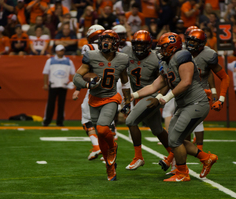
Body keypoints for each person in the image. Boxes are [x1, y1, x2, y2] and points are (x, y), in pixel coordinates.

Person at [130, 32, 218, 182]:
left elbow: (186, 82)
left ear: (172, 47)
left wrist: (165, 98)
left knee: (175, 139)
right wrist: (134, 95)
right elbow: (153, 86)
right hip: (184, 105)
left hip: (196, 103)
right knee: (173, 139)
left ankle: (183, 173)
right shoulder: (166, 62)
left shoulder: (182, 56)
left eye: (163, 47)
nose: (160, 51)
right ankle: (206, 158)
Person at [73, 30, 131, 181]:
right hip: (94, 98)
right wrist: (87, 84)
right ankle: (110, 168)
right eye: (103, 39)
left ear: (116, 43)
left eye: (109, 40)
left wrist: (127, 101)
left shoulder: (123, 58)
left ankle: (113, 146)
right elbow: (76, 77)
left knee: (102, 127)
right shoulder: (92, 56)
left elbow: (125, 81)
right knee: (100, 135)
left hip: (111, 97)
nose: (105, 42)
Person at [121, 30, 171, 170]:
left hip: (151, 96)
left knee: (130, 121)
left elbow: (166, 81)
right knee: (157, 129)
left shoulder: (156, 58)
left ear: (148, 45)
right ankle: (174, 156)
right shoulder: (126, 52)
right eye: (136, 44)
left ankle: (138, 157)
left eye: (142, 44)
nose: (138, 47)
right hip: (136, 95)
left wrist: (159, 97)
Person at [185, 28, 230, 150]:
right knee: (182, 126)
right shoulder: (182, 52)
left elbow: (224, 77)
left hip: (199, 93)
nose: (190, 44)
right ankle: (194, 155)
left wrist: (220, 98)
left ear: (201, 44)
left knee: (188, 124)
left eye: (194, 41)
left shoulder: (208, 55)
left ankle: (198, 154)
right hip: (183, 93)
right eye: (189, 40)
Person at [72, 24, 105, 160]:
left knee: (87, 116)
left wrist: (78, 88)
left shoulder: (89, 47)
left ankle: (98, 147)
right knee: (107, 117)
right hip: (114, 83)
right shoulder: (114, 47)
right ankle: (106, 147)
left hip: (96, 82)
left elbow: (85, 71)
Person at [42, 44, 76, 127]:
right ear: (56, 51)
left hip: (64, 85)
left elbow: (73, 74)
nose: (62, 52)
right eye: (60, 50)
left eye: (63, 50)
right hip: (53, 84)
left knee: (61, 105)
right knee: (50, 104)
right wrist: (45, 84)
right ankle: (47, 121)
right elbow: (45, 73)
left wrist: (74, 83)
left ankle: (60, 122)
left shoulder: (69, 61)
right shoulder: (50, 61)